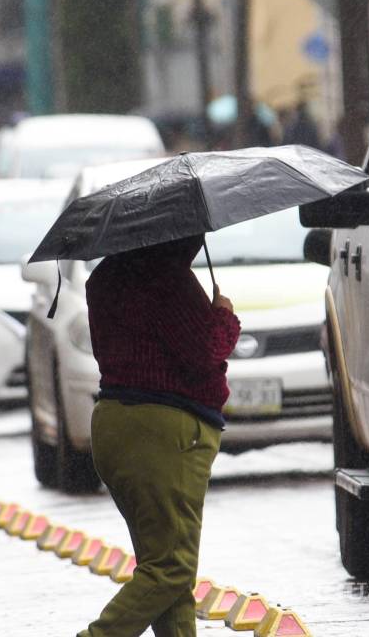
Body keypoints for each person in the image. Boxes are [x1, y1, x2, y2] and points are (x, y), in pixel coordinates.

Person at [78, 234, 240, 637]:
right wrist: (224, 316)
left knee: (164, 568)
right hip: (166, 433)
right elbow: (205, 353)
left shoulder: (103, 278)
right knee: (171, 568)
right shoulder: (167, 277)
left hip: (114, 423)